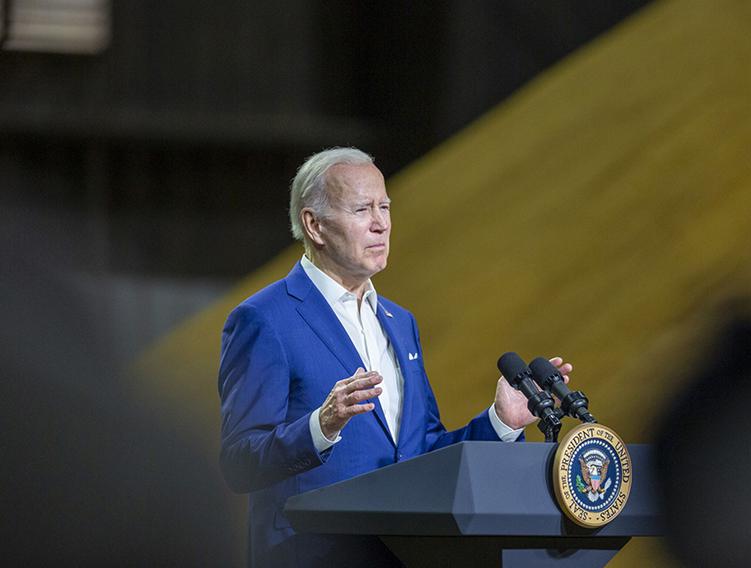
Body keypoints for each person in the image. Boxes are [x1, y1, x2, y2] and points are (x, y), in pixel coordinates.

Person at [218, 147, 572, 567]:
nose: (381, 224)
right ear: (314, 225)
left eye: (385, 207)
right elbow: (239, 463)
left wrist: (500, 423)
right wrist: (321, 426)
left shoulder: (400, 323)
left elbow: (421, 454)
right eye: (362, 209)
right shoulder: (264, 319)